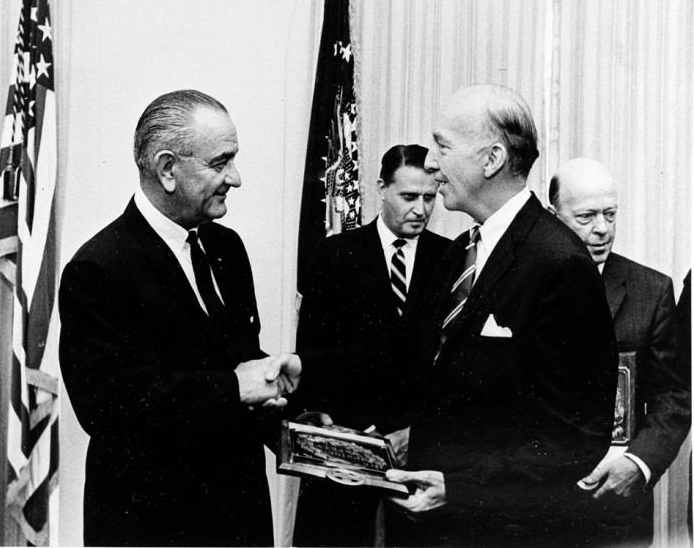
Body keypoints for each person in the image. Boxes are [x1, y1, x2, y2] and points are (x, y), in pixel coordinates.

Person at [265, 85, 618, 546]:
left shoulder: (559, 262)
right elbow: (407, 347)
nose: (431, 161)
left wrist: (462, 489)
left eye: (443, 145)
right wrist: (305, 366)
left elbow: (575, 437)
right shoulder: (462, 252)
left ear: (491, 160)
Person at [59, 90, 287, 547]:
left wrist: (293, 411)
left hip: (239, 518)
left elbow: (236, 359)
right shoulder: (98, 268)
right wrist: (236, 387)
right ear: (167, 169)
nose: (235, 178)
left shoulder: (227, 248)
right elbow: (109, 407)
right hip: (150, 523)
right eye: (220, 163)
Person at [292, 144, 450, 547]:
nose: (420, 208)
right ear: (381, 188)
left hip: (418, 453)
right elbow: (313, 358)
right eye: (409, 196)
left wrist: (415, 431)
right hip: (346, 451)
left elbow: (451, 366)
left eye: (429, 197)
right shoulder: (333, 255)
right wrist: (361, 437)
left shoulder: (451, 259)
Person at [548, 157, 691, 546]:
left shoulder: (651, 290)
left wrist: (638, 464)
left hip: (615, 512)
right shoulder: (521, 286)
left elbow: (674, 397)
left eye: (610, 214)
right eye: (587, 216)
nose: (602, 229)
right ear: (553, 215)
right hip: (533, 508)